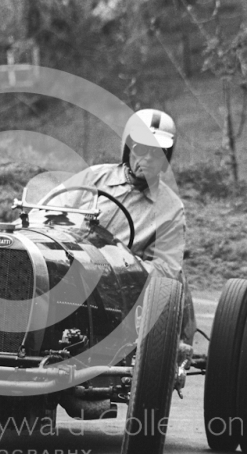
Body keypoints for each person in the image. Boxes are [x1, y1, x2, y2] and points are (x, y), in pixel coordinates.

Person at [42, 108, 196, 343]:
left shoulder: (171, 208)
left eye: (157, 152)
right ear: (128, 149)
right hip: (65, 267)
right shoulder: (94, 177)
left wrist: (121, 263)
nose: (147, 158)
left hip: (117, 291)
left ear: (166, 158)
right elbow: (47, 212)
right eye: (141, 148)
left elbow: (167, 270)